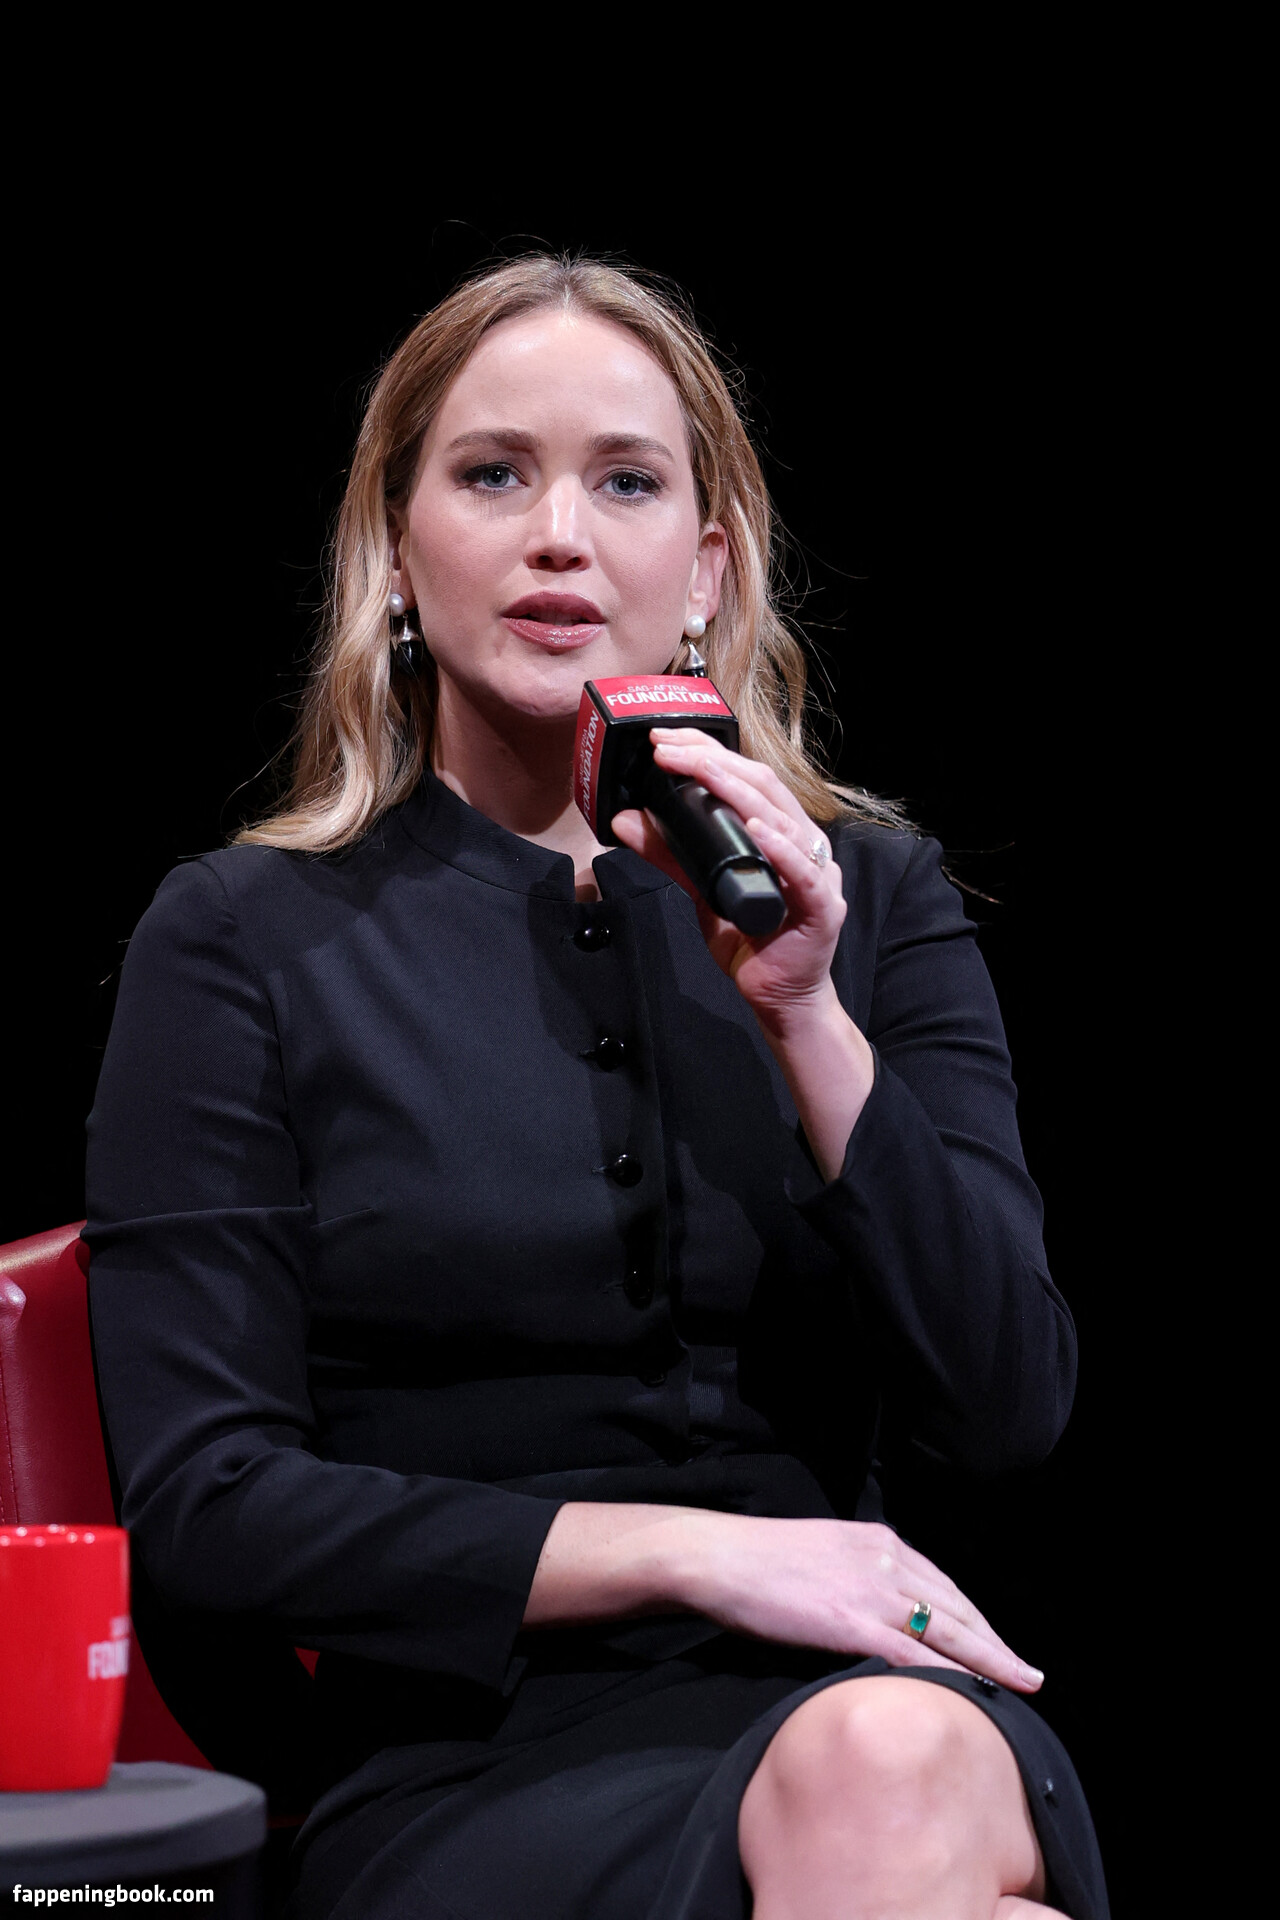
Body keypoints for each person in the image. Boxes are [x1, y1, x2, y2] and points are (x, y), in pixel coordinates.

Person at [84, 255, 1109, 1920]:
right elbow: (207, 1509)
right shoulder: (244, 937)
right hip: (465, 1765)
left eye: (626, 482)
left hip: (868, 1710)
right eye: (494, 474)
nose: (560, 534)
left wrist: (806, 1016)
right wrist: (705, 1553)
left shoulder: (875, 901)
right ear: (395, 549)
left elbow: (1006, 1406)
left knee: (885, 1754)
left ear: (705, 569)